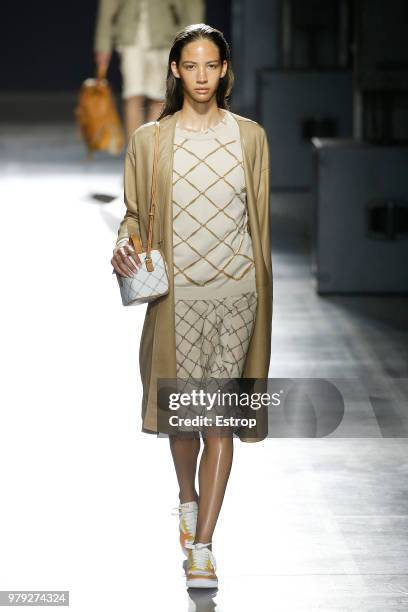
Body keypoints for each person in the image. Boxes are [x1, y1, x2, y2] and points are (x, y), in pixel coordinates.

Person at [110, 23, 273, 589]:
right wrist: (124, 247)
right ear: (176, 71)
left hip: (236, 295)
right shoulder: (150, 140)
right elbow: (134, 215)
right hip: (177, 297)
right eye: (191, 66)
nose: (202, 76)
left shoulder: (251, 138)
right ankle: (186, 497)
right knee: (185, 421)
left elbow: (258, 222)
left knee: (217, 424)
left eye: (212, 66)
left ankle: (202, 547)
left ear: (224, 71)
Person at [94, 0, 204, 140]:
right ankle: (136, 153)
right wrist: (103, 44)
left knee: (158, 97)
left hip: (164, 36)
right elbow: (108, 5)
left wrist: (196, 39)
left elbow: (192, 4)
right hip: (130, 36)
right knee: (133, 94)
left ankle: (151, 150)